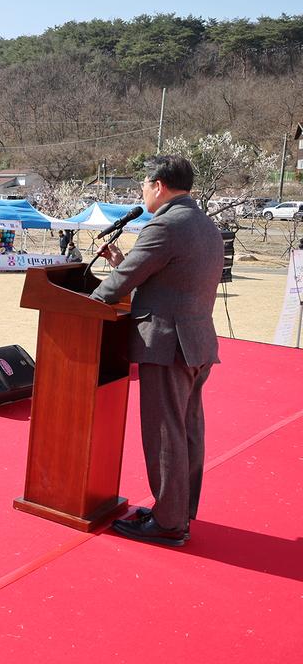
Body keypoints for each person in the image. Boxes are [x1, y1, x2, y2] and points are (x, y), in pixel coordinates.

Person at [94, 155, 223, 547]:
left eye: (143, 185)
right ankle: (178, 510)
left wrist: (89, 303)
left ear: (159, 185)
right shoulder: (204, 224)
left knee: (165, 433)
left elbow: (118, 286)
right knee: (186, 432)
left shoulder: (164, 224)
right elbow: (166, 277)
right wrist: (120, 263)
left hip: (167, 345)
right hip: (197, 342)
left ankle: (168, 523)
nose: (142, 193)